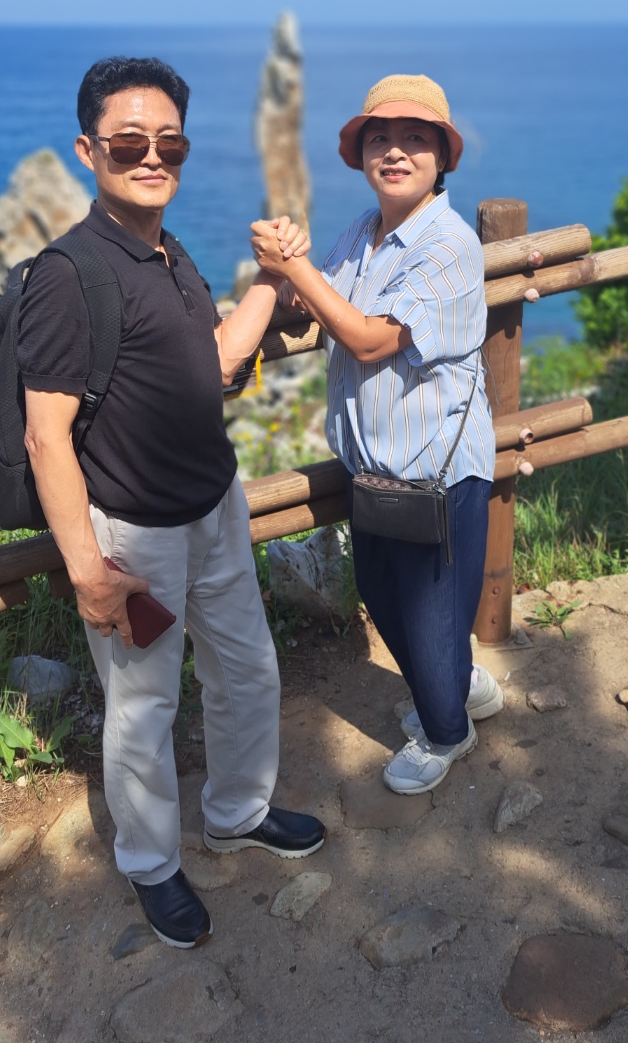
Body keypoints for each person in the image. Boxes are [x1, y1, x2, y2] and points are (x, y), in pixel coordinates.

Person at [17, 56, 325, 949]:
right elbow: (46, 437)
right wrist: (88, 571)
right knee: (144, 708)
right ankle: (151, 863)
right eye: (128, 143)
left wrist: (271, 277)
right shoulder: (70, 275)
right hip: (134, 533)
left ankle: (237, 811)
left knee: (248, 668)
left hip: (214, 506)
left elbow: (216, 362)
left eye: (170, 143)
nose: (152, 157)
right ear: (89, 151)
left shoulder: (167, 251)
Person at [251, 73, 503, 796]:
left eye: (415, 139)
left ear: (442, 158)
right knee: (386, 595)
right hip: (377, 466)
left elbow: (366, 338)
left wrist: (294, 267)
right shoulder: (366, 232)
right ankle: (461, 686)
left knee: (425, 614)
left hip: (436, 470)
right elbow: (323, 299)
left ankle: (448, 732)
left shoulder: (448, 245)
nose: (395, 151)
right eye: (380, 138)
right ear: (361, 153)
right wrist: (290, 271)